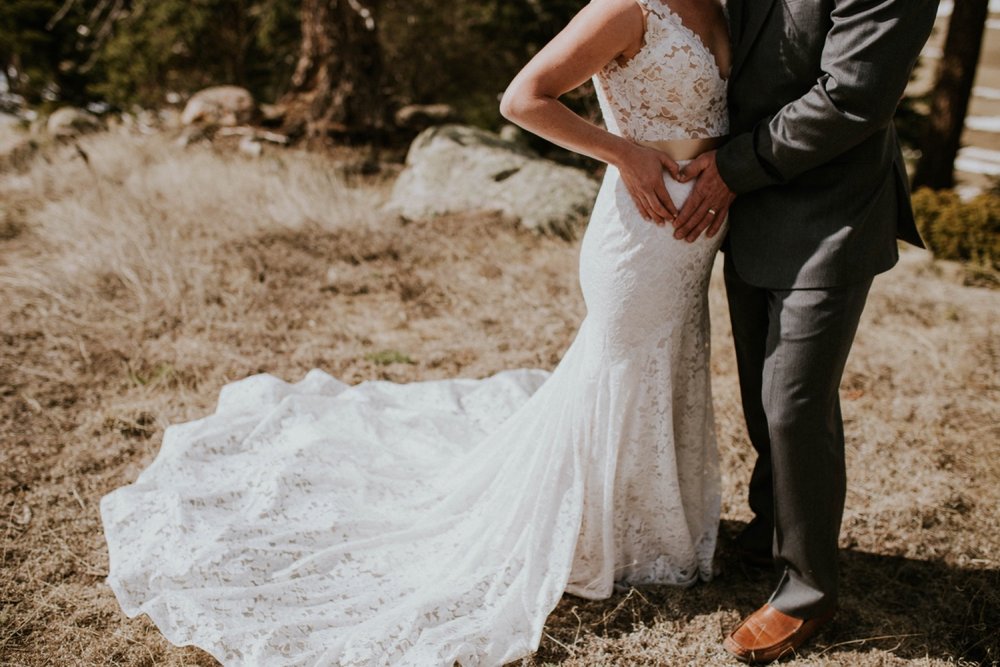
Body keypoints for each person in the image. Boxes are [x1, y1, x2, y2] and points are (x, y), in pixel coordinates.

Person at [100, 0, 731, 664]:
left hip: (695, 235)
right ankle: (595, 533)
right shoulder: (625, 8)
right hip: (638, 231)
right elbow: (522, 98)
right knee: (622, 372)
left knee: (669, 368)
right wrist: (622, 153)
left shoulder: (720, 6)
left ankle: (651, 526)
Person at [665, 0, 939, 661]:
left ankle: (809, 587)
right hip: (747, 202)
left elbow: (854, 95)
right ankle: (771, 524)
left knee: (793, 400)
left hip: (831, 207)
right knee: (761, 384)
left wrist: (734, 166)